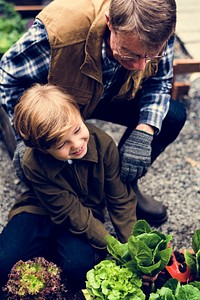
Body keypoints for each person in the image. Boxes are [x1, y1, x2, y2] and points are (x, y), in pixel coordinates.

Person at [0, 0, 187, 226]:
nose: (140, 66)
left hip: (112, 91)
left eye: (149, 57)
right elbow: (8, 77)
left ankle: (122, 188)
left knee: (172, 116)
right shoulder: (60, 31)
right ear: (110, 22)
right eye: (130, 53)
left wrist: (144, 132)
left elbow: (160, 82)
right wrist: (23, 138)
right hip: (64, 95)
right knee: (36, 159)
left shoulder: (159, 27)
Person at [0, 83, 137, 290]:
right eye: (62, 144)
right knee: (4, 262)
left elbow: (121, 200)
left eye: (77, 129)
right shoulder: (32, 162)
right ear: (43, 149)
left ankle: (51, 253)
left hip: (87, 211)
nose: (76, 144)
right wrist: (113, 246)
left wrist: (132, 249)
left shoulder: (104, 144)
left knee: (78, 267)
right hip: (41, 209)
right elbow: (69, 211)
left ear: (79, 114)